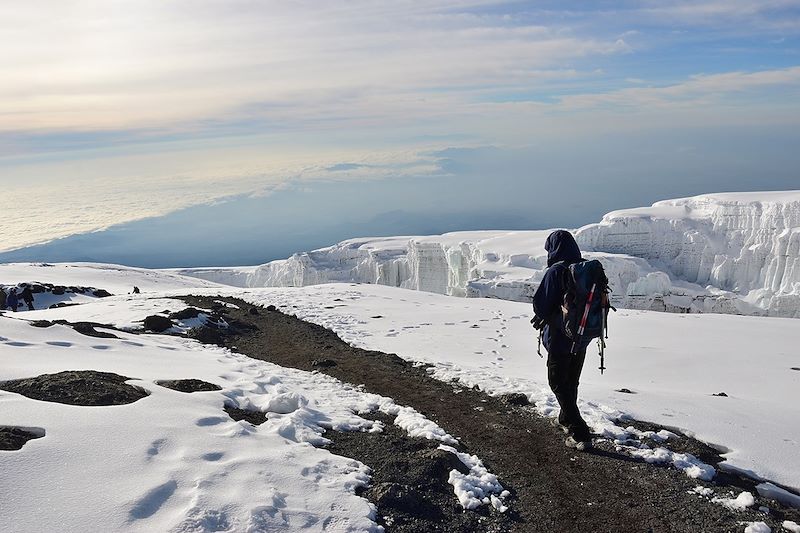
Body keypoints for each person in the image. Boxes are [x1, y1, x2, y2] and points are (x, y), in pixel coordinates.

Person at [532, 230, 593, 451]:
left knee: (557, 382)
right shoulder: (585, 269)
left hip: (561, 339)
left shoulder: (557, 271)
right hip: (583, 337)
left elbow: (541, 305)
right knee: (571, 382)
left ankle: (580, 433)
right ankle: (565, 419)